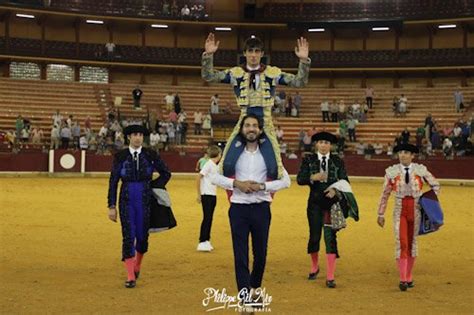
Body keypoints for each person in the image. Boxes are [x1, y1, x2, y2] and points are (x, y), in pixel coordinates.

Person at [202, 33, 310, 181]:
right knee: (226, 166)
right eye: (250, 51)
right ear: (245, 53)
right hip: (244, 118)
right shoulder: (236, 73)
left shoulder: (272, 73)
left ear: (262, 54)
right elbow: (209, 77)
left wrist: (303, 60)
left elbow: (299, 82)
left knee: (273, 170)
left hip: (265, 120)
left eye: (257, 51)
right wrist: (208, 55)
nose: (253, 55)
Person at [210, 114, 291, 308]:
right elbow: (214, 178)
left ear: (261, 130)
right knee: (241, 254)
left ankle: (254, 288)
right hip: (238, 208)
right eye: (247, 125)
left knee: (261, 254)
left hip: (261, 208)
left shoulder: (270, 155)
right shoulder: (232, 155)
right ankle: (245, 297)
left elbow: (286, 181)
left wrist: (262, 187)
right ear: (242, 129)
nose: (251, 129)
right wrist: (236, 183)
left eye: (255, 125)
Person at [107, 124, 171, 288]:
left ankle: (137, 265)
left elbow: (166, 173)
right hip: (126, 198)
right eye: (135, 135)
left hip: (144, 198)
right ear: (129, 137)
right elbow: (113, 181)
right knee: (128, 235)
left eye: (140, 135)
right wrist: (111, 205)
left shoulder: (150, 154)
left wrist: (153, 186)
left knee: (142, 236)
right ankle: (130, 276)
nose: (138, 138)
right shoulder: (120, 156)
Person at [296, 131, 359, 288]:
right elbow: (299, 179)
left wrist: (336, 191)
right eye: (321, 142)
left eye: (326, 142)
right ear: (316, 144)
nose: (324, 145)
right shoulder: (309, 159)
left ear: (330, 145)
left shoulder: (337, 161)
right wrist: (312, 178)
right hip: (315, 203)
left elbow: (345, 180)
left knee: (330, 238)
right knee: (315, 236)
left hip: (332, 202)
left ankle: (330, 275)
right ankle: (314, 266)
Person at [376, 143, 440, 291]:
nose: (403, 155)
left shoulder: (420, 170)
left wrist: (427, 203)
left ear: (412, 155)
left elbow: (436, 186)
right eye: (400, 152)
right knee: (402, 242)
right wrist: (380, 213)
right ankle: (403, 278)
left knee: (412, 243)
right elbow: (385, 194)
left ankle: (408, 275)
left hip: (416, 209)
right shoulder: (391, 172)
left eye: (406, 153)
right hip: (399, 209)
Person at [196, 145, 222, 252]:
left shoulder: (214, 165)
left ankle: (206, 240)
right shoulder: (209, 164)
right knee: (207, 218)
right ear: (218, 155)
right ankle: (202, 241)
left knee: (209, 218)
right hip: (206, 194)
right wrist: (199, 194)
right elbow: (198, 177)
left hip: (212, 194)